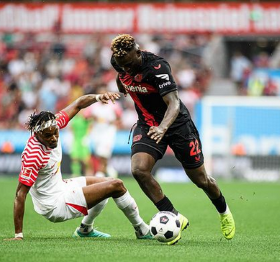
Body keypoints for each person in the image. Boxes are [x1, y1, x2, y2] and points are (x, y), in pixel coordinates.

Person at [110, 34, 235, 245]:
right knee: (139, 169)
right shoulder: (120, 64)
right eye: (122, 66)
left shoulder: (157, 68)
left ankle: (224, 212)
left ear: (138, 53)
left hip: (177, 125)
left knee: (201, 179)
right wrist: (120, 90)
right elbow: (121, 78)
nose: (126, 70)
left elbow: (174, 103)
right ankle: (172, 214)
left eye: (130, 65)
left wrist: (163, 127)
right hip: (148, 125)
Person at [5, 92, 152, 241]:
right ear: (37, 134)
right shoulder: (33, 155)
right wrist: (18, 235)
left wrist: (98, 98)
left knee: (106, 182)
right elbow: (20, 194)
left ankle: (85, 229)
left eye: (55, 133)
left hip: (61, 188)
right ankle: (142, 230)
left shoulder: (52, 123)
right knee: (116, 185)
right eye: (48, 136)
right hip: (55, 205)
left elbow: (79, 103)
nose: (54, 138)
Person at [84, 86, 122, 178]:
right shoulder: (94, 106)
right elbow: (85, 117)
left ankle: (99, 175)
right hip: (96, 133)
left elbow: (119, 119)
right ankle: (109, 169)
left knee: (103, 153)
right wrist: (93, 117)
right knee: (99, 154)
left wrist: (113, 122)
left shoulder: (114, 105)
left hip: (109, 132)